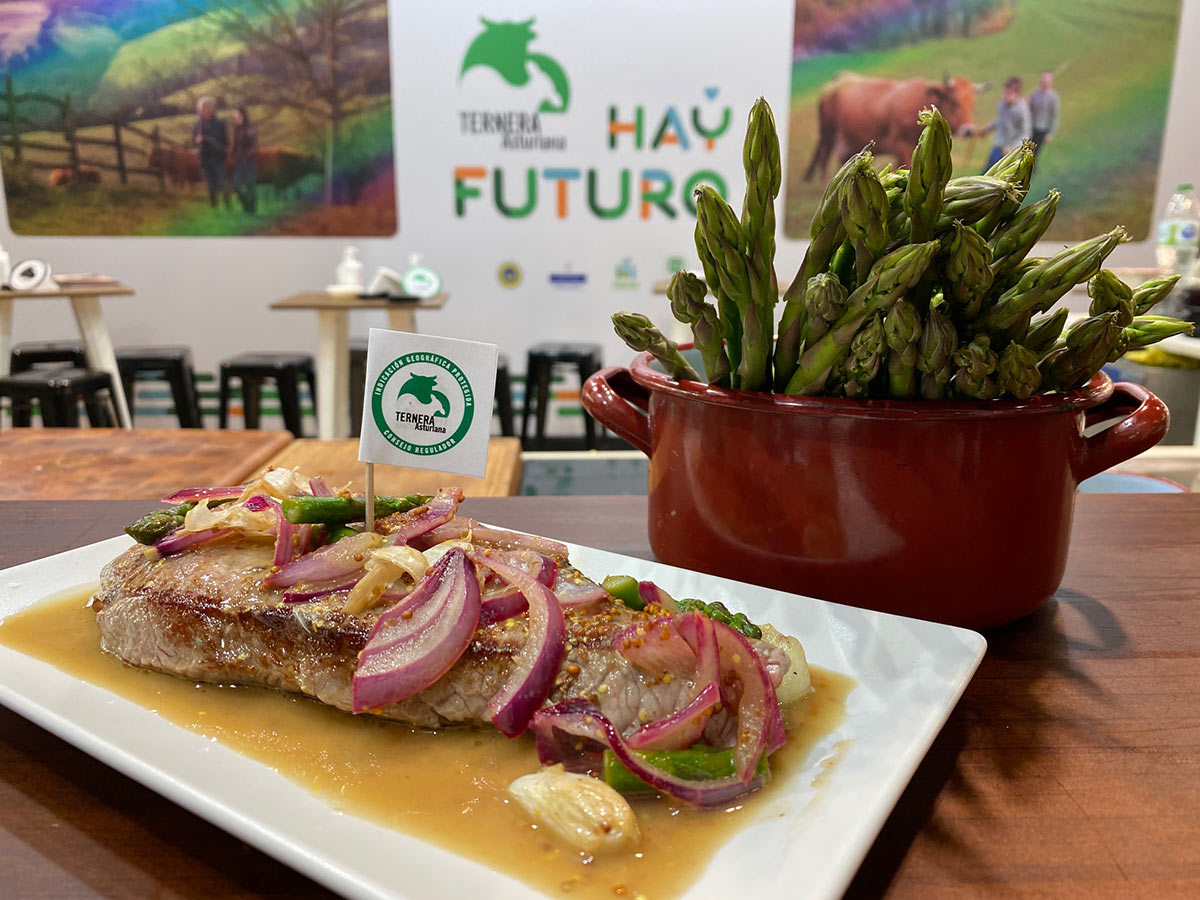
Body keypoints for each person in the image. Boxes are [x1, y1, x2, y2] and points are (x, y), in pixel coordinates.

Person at [978, 75, 1031, 171]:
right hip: (997, 146)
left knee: (999, 180)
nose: (1005, 96)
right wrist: (987, 129)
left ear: (1016, 94)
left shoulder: (1022, 110)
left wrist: (1012, 148)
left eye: (1008, 94)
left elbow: (1025, 133)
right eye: (1004, 92)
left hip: (1009, 153)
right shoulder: (1002, 104)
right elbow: (1000, 120)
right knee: (985, 174)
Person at [191, 96, 227, 208]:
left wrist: (209, 139)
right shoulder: (197, 125)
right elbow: (193, 142)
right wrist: (197, 141)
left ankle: (228, 206)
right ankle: (214, 207)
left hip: (217, 158)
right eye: (202, 108)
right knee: (210, 185)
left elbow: (225, 142)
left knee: (222, 183)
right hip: (204, 159)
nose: (205, 110)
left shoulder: (220, 124)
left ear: (211, 109)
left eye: (207, 107)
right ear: (199, 110)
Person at [231, 107, 258, 214]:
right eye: (234, 117)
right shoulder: (237, 129)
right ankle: (247, 205)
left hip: (249, 162)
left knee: (250, 187)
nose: (235, 118)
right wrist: (232, 150)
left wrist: (247, 157)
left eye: (236, 116)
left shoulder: (250, 128)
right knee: (236, 186)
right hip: (239, 163)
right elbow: (237, 146)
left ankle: (252, 210)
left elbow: (254, 146)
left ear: (242, 116)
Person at [1028, 70, 1060, 158]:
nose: (1045, 82)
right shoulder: (1035, 94)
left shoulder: (1053, 97)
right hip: (1031, 127)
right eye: (1044, 79)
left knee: (1034, 154)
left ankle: (1031, 170)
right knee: (1025, 151)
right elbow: (1029, 109)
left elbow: (1054, 116)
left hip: (1042, 129)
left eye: (1047, 80)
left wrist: (1050, 133)